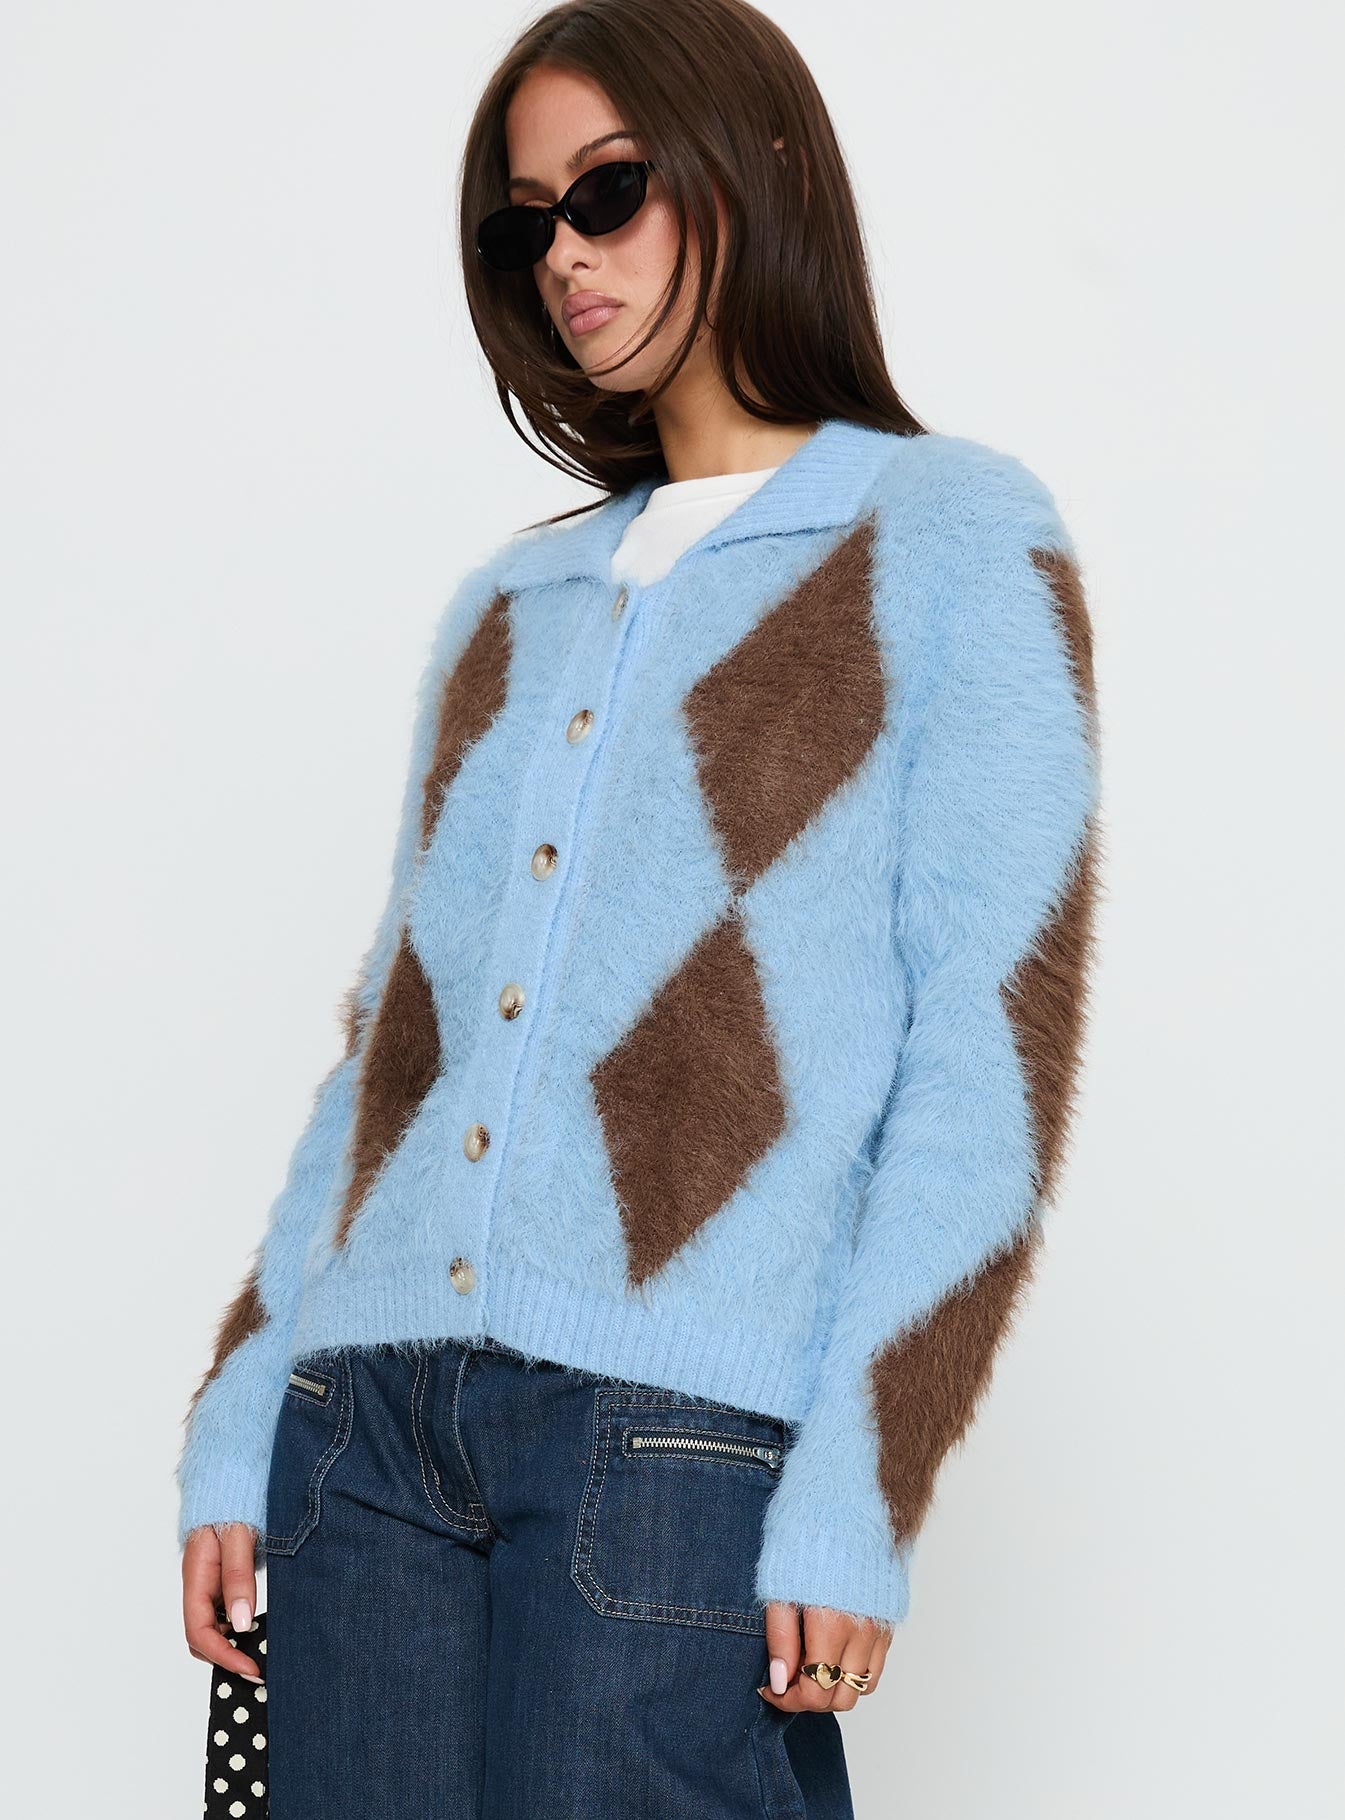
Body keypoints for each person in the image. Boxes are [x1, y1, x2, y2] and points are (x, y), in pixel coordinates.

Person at [176, 1, 1100, 1814]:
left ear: (758, 167)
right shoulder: (507, 608)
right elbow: (391, 1060)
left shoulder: (948, 538)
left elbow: (985, 1058)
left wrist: (861, 1483)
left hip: (668, 1446)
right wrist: (240, 1407)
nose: (564, 258)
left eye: (606, 192)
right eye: (521, 223)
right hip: (361, 1438)